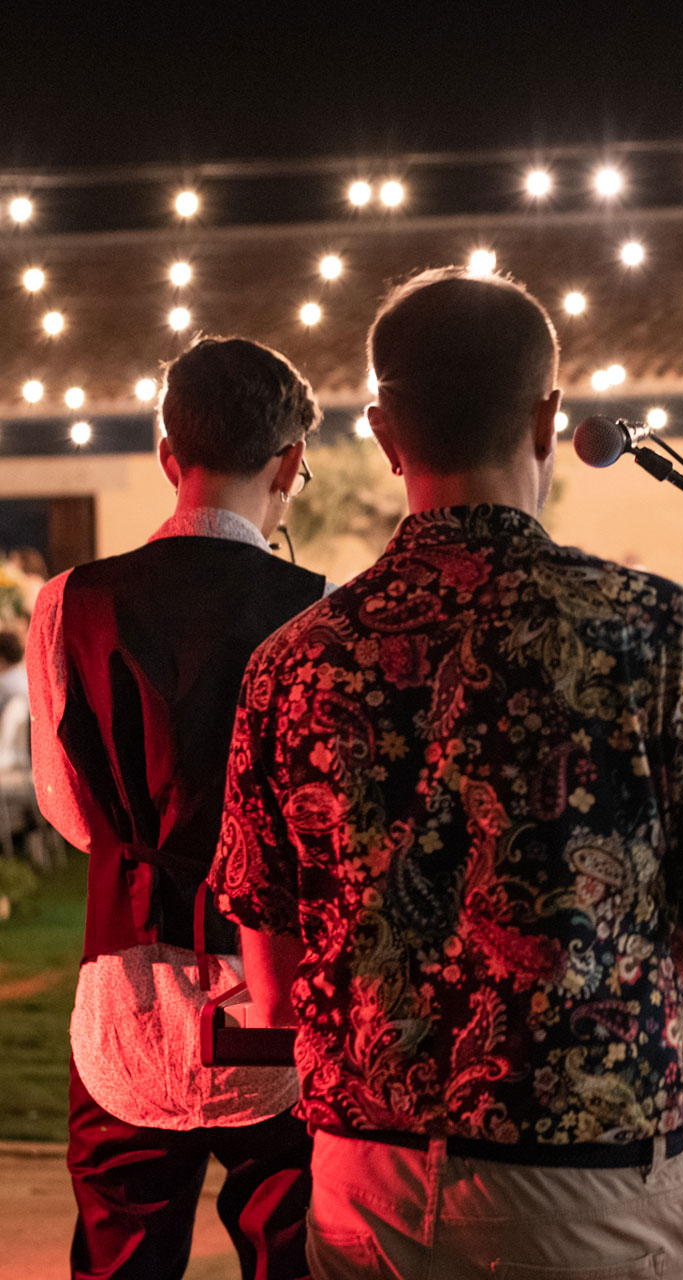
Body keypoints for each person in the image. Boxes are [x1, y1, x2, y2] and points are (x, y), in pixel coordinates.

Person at [208, 268, 683, 1280]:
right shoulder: (649, 631)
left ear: (382, 432)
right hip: (590, 1192)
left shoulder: (293, 660)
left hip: (361, 1194)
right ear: (548, 417)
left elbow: (278, 985)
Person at [27, 336, 331, 1280]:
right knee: (292, 1259)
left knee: (120, 1263)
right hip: (276, 991)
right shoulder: (318, 610)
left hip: (124, 985)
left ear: (169, 456)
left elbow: (69, 812)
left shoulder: (70, 602)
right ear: (289, 464)